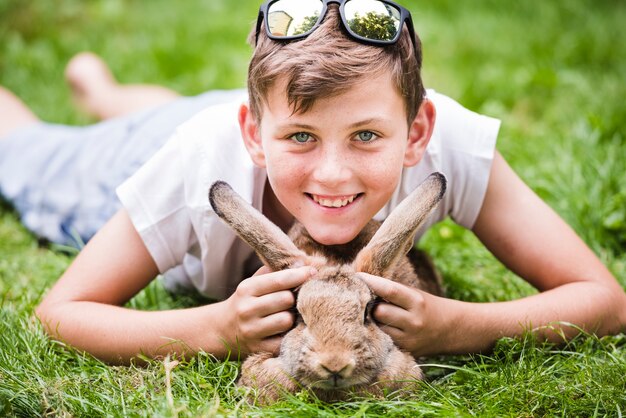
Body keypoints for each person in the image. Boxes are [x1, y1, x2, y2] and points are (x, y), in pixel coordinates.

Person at [1, 0, 625, 365]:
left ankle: (106, 90)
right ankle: (78, 104)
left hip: (243, 111)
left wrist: (458, 324)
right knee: (26, 152)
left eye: (366, 137)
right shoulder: (194, 164)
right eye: (304, 138)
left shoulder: (449, 144)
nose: (333, 174)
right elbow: (60, 313)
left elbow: (605, 299)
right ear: (254, 134)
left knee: (182, 108)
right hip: (149, 150)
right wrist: (213, 329)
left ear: (417, 131)